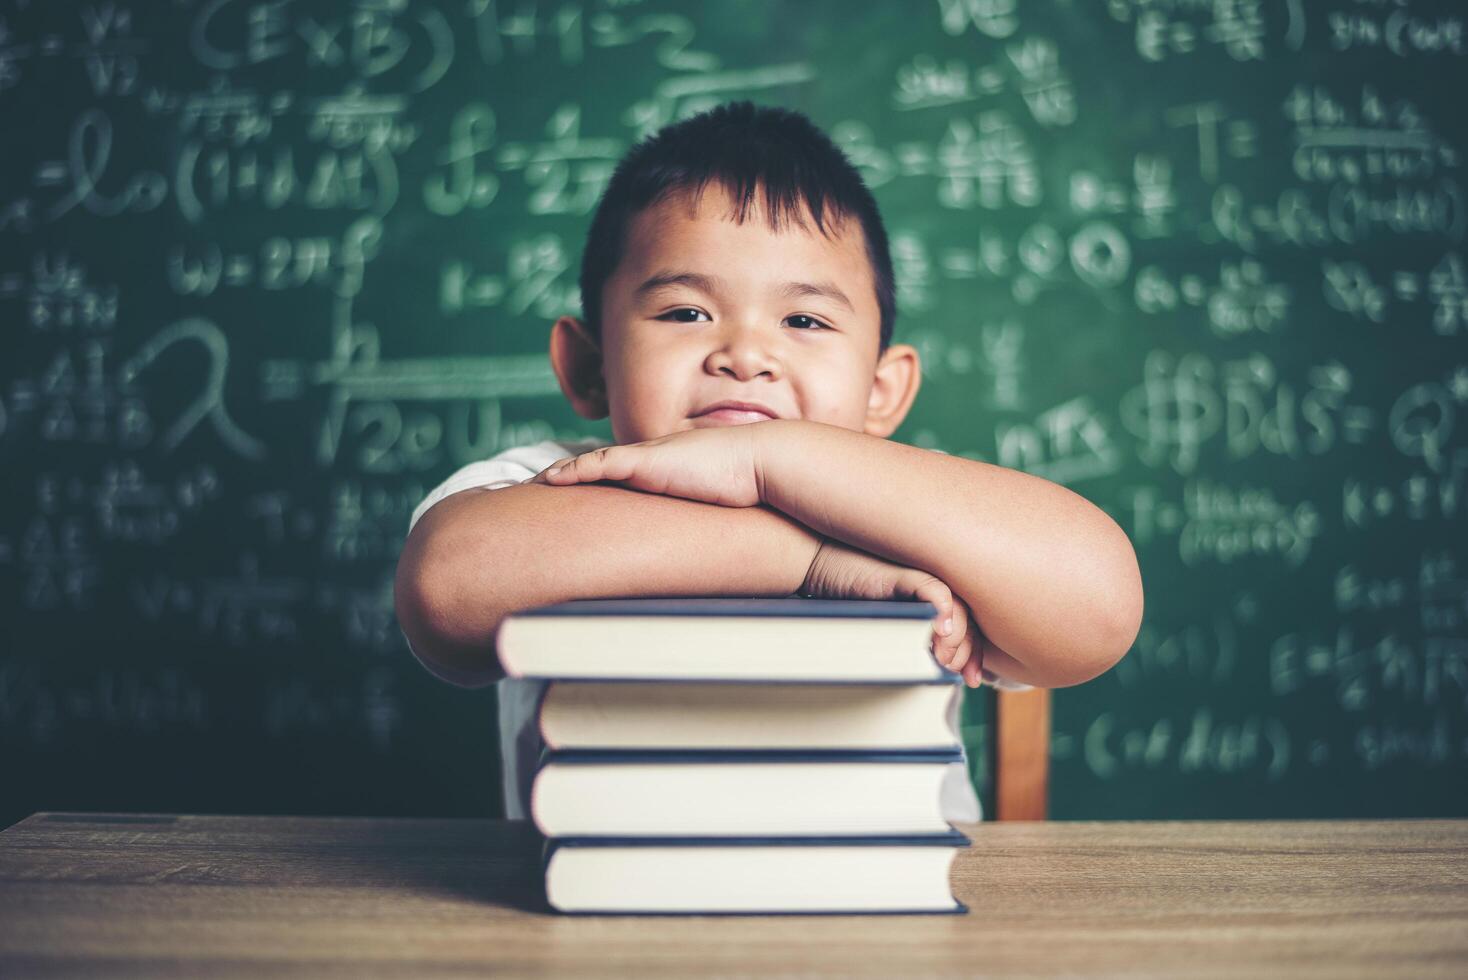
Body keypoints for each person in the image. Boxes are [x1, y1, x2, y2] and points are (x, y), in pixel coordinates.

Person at [395, 101, 1144, 820]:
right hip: (605, 931)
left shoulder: (913, 509)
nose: (747, 355)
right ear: (589, 367)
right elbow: (446, 589)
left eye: (804, 319)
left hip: (889, 934)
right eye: (686, 312)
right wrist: (813, 559)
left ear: (883, 392)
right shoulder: (551, 484)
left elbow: (1101, 607)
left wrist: (767, 459)